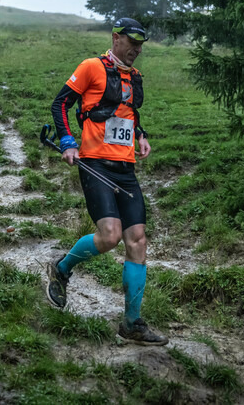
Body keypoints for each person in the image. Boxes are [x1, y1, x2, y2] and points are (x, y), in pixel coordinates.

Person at [44, 17, 168, 346]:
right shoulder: (91, 67)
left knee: (137, 240)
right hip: (95, 163)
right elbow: (60, 103)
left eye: (140, 45)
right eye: (131, 43)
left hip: (125, 168)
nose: (136, 50)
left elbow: (128, 112)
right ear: (116, 38)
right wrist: (67, 141)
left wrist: (140, 135)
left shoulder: (134, 77)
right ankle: (62, 269)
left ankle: (131, 323)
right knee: (110, 236)